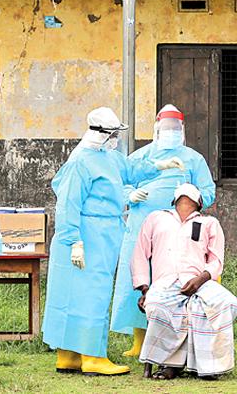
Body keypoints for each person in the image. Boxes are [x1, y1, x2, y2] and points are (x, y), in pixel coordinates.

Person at [42, 107, 184, 376]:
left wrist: (159, 165)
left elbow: (130, 169)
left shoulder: (107, 157)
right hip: (84, 235)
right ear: (102, 134)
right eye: (114, 134)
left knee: (81, 294)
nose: (116, 139)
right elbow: (68, 204)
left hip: (102, 235)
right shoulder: (80, 162)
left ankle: (70, 356)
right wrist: (75, 240)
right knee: (88, 295)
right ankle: (92, 356)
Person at [111, 105, 215, 358]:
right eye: (165, 128)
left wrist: (190, 198)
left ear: (182, 131)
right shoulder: (141, 156)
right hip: (140, 225)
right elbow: (119, 183)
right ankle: (139, 340)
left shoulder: (193, 159)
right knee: (138, 278)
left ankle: (174, 341)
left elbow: (208, 191)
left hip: (177, 230)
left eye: (174, 129)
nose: (170, 133)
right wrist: (130, 195)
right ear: (156, 130)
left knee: (174, 279)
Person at [132, 183, 236, 380]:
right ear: (174, 200)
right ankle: (171, 365)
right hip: (165, 284)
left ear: (199, 203)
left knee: (226, 303)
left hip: (199, 282)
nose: (186, 196)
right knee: (157, 306)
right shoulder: (156, 218)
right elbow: (140, 254)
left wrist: (200, 279)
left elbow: (216, 260)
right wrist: (144, 289)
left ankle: (209, 366)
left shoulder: (209, 223)